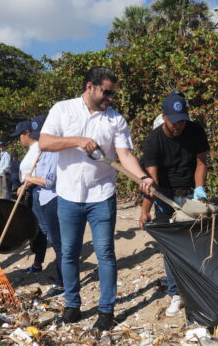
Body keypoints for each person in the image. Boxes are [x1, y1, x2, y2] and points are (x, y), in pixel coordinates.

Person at [39, 66, 154, 327]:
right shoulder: (62, 109)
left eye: (112, 94)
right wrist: (77, 140)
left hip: (102, 195)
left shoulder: (115, 120)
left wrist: (143, 177)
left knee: (105, 253)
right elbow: (45, 142)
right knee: (68, 253)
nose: (109, 99)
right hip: (68, 195)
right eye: (106, 92)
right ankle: (72, 305)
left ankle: (106, 311)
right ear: (90, 87)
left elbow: (124, 155)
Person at [140, 91, 210, 317]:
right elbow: (152, 181)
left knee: (196, 242)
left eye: (182, 120)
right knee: (171, 248)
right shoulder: (154, 140)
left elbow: (201, 162)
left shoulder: (195, 130)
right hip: (164, 196)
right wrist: (145, 211)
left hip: (190, 193)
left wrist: (199, 189)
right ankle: (175, 293)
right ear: (164, 117)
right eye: (174, 121)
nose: (178, 125)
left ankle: (197, 287)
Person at [21, 114, 63, 297]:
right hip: (44, 198)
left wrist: (30, 180)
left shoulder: (54, 150)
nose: (39, 139)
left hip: (53, 199)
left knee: (58, 243)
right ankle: (61, 280)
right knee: (53, 239)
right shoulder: (42, 150)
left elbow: (50, 181)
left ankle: (63, 283)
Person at [12, 119, 47, 273]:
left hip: (37, 192)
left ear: (27, 133)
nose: (19, 139)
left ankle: (39, 264)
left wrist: (25, 186)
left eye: (20, 135)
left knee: (41, 229)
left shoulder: (39, 148)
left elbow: (38, 174)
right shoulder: (32, 149)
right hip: (29, 192)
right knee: (34, 228)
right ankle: (37, 263)